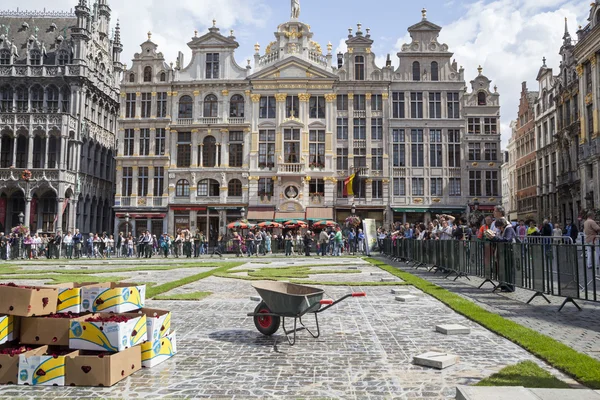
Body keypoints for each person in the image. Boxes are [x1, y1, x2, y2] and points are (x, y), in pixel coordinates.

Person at [488, 217, 516, 292]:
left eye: (500, 227)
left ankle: (510, 287)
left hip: (509, 251)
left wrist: (495, 238)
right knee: (504, 269)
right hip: (504, 252)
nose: (500, 229)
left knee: (509, 270)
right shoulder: (505, 229)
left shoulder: (509, 229)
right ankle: (504, 285)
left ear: (502, 225)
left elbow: (507, 239)